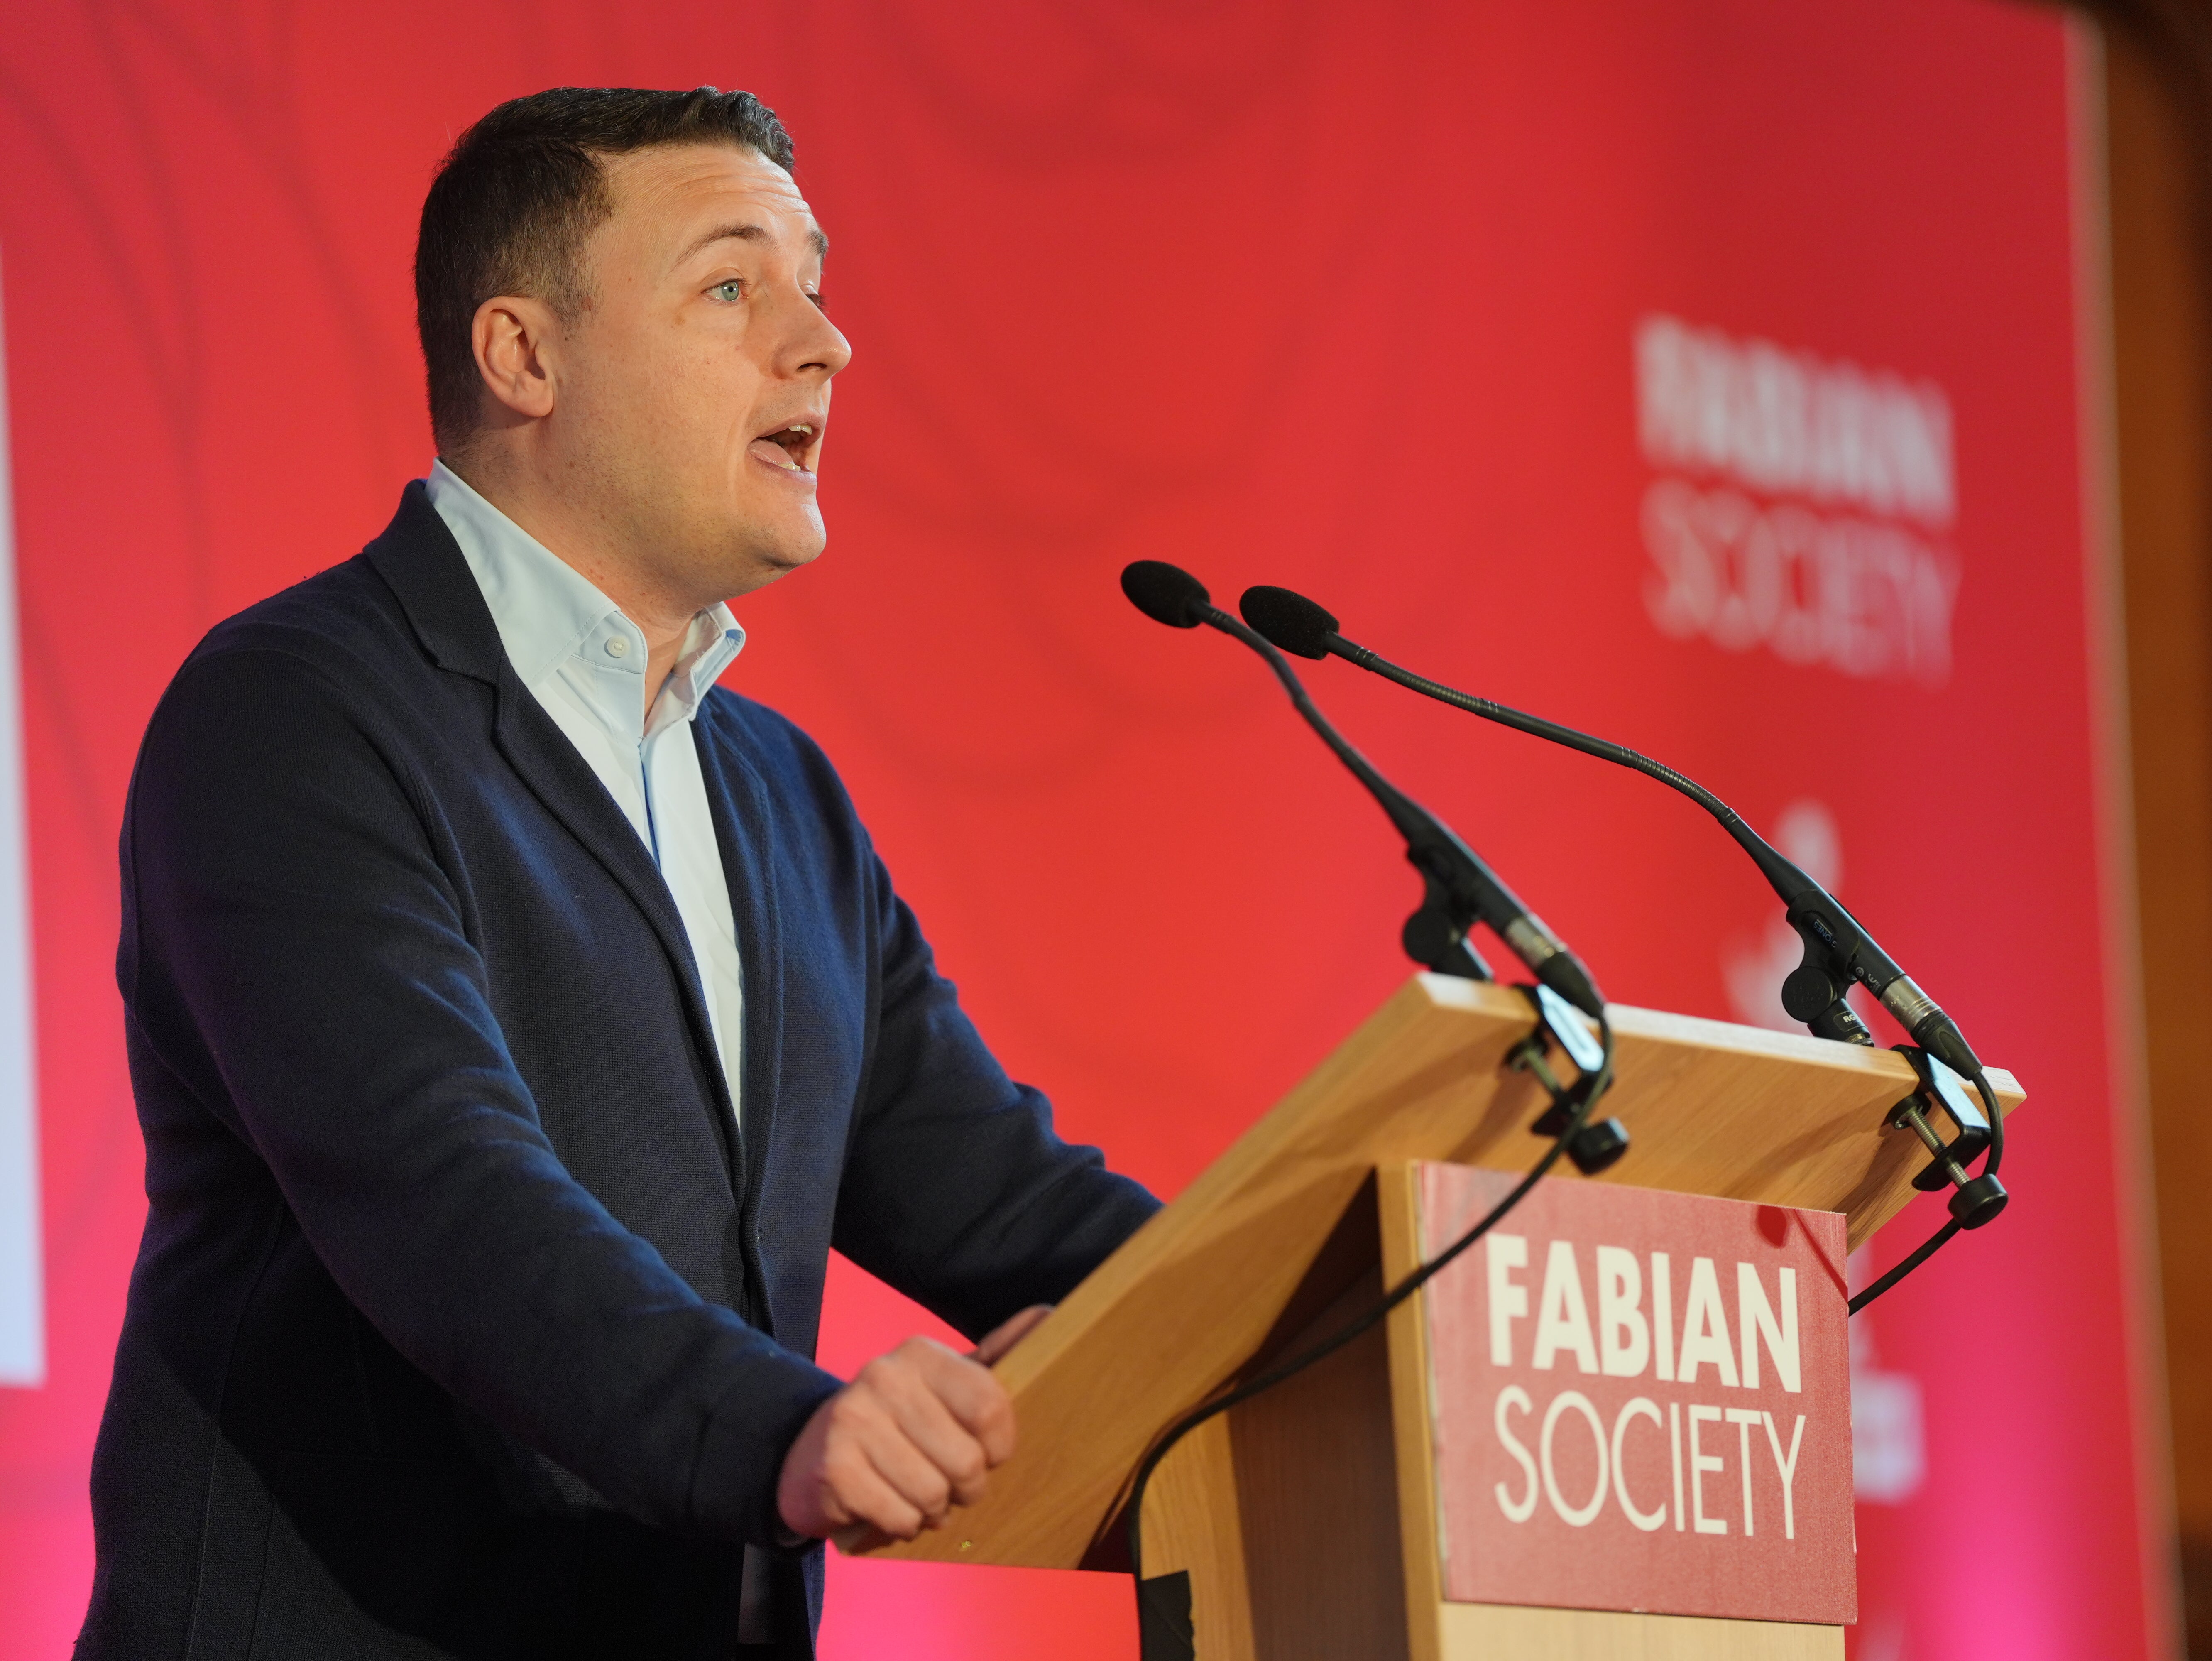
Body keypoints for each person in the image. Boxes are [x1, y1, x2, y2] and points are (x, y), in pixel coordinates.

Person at [75, 86, 1158, 1661]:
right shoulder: (296, 715)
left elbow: (1004, 1200)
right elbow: (439, 1196)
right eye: (734, 286)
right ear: (525, 357)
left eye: (817, 286)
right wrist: (781, 1430)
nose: (824, 345)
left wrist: (1352, 1321)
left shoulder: (779, 794)